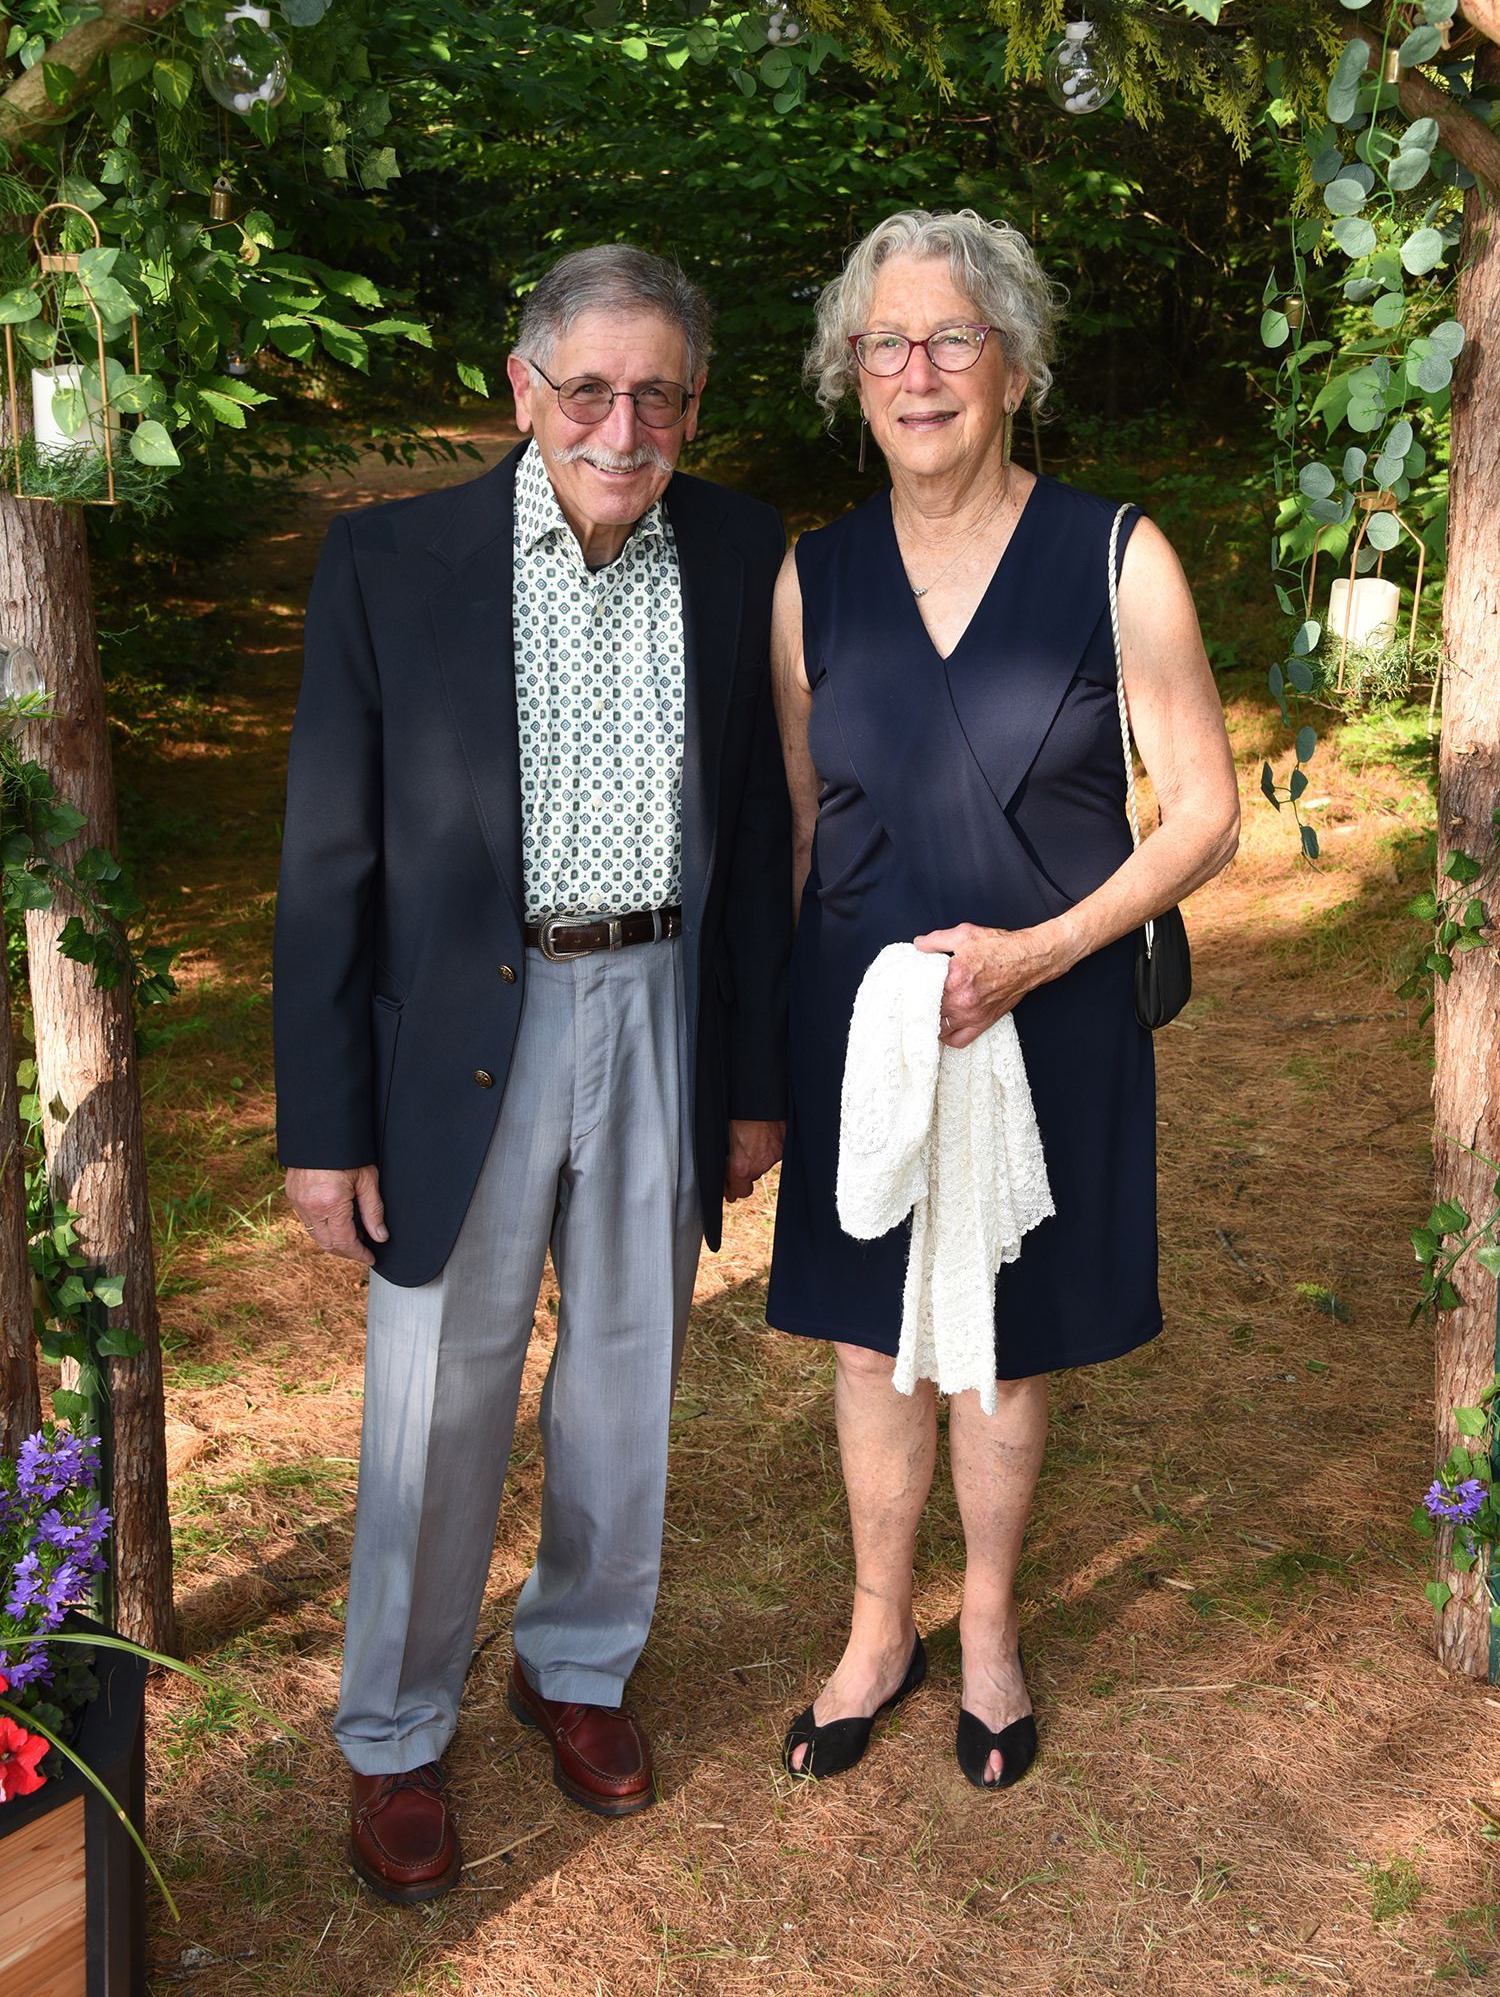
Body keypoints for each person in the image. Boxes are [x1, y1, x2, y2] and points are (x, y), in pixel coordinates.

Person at [273, 244, 790, 1902]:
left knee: (629, 1369)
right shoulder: (389, 562)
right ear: (524, 388)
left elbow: (766, 834)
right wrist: (322, 1124)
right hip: (460, 1036)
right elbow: (324, 865)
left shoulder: (736, 546)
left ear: (694, 408)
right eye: (590, 387)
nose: (622, 423)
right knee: (438, 1392)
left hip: (660, 1005)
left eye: (658, 394)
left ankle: (574, 1660)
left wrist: (754, 1076)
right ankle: (395, 1730)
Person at [766, 209, 1239, 1792]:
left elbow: (1201, 811)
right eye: (885, 344)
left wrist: (1040, 955)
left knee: (1003, 1350)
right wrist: (770, 1053)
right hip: (867, 1026)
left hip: (1052, 1013)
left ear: (1016, 365)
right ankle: (874, 1628)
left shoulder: (1119, 554)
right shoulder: (810, 579)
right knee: (864, 1346)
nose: (918, 372)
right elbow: (796, 831)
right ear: (852, 375)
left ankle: (984, 1632)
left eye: (952, 338)